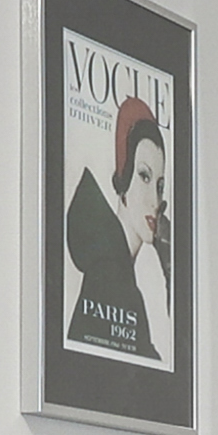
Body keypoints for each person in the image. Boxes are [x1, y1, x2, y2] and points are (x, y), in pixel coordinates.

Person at [61, 95, 175, 367]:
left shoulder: (113, 268)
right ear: (122, 179)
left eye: (159, 186)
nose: (154, 201)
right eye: (143, 176)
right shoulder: (112, 278)